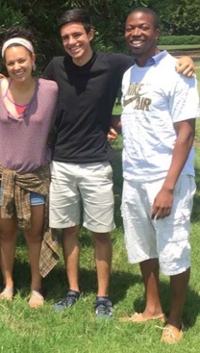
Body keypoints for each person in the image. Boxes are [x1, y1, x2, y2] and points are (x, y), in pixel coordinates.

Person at [40, 9, 195, 318]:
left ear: (91, 34)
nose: (72, 42)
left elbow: (185, 131)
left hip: (132, 170)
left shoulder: (121, 65)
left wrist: (185, 59)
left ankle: (163, 316)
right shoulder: (67, 68)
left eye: (78, 35)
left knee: (163, 245)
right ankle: (143, 306)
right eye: (66, 37)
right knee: (125, 242)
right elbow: (31, 90)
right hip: (100, 168)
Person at [117, 7, 199, 344]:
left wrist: (167, 188)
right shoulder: (128, 75)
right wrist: (116, 125)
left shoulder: (177, 72)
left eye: (143, 27)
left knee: (174, 247)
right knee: (143, 247)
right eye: (130, 28)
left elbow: (186, 133)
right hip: (133, 176)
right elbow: (141, 117)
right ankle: (152, 308)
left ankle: (176, 320)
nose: (136, 33)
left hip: (167, 180)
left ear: (156, 32)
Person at [0, 27, 59, 308]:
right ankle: (9, 283)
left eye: (22, 60)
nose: (17, 67)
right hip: (1, 173)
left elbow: (79, 105)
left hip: (35, 175)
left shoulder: (50, 89)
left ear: (33, 59)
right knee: (7, 233)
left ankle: (36, 287)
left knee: (34, 234)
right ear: (5, 66)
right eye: (11, 63)